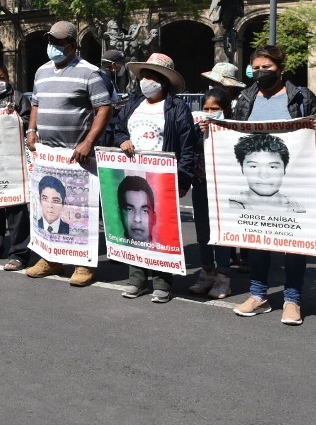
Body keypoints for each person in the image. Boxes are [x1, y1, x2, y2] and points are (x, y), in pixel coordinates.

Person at [231, 45, 316, 326]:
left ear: (281, 69)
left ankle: (292, 299)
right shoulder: (246, 97)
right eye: (257, 67)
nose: (262, 72)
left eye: (268, 67)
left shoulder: (301, 96)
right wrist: (212, 130)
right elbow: (234, 132)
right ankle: (258, 295)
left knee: (294, 243)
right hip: (258, 182)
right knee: (258, 239)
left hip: (296, 180)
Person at [25, 21, 112, 286]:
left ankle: (83, 264)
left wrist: (88, 142)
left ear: (73, 45)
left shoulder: (90, 73)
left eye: (59, 43)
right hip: (48, 155)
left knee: (79, 209)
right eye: (50, 42)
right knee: (46, 207)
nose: (53, 47)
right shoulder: (41, 72)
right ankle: (50, 259)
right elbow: (36, 103)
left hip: (78, 156)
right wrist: (31, 129)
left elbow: (104, 108)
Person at [113, 52, 197, 302]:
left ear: (164, 81)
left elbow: (187, 146)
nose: (145, 81)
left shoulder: (177, 107)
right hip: (134, 175)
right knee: (134, 226)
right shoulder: (132, 105)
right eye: (144, 76)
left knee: (160, 229)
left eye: (152, 77)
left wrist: (183, 179)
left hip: (163, 178)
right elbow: (118, 129)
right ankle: (136, 279)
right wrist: (122, 140)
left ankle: (162, 282)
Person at [189, 88, 234, 299]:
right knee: (203, 232)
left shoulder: (234, 129)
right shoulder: (198, 127)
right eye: (206, 108)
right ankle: (206, 272)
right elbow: (192, 147)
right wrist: (201, 133)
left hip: (224, 185)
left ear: (225, 110)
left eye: (215, 109)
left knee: (222, 233)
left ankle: (223, 277)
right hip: (201, 183)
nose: (210, 112)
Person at [228, 134, 305, 213]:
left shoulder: (299, 209)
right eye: (254, 166)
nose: (263, 175)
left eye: (272, 167)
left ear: (284, 170)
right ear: (242, 169)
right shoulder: (225, 203)